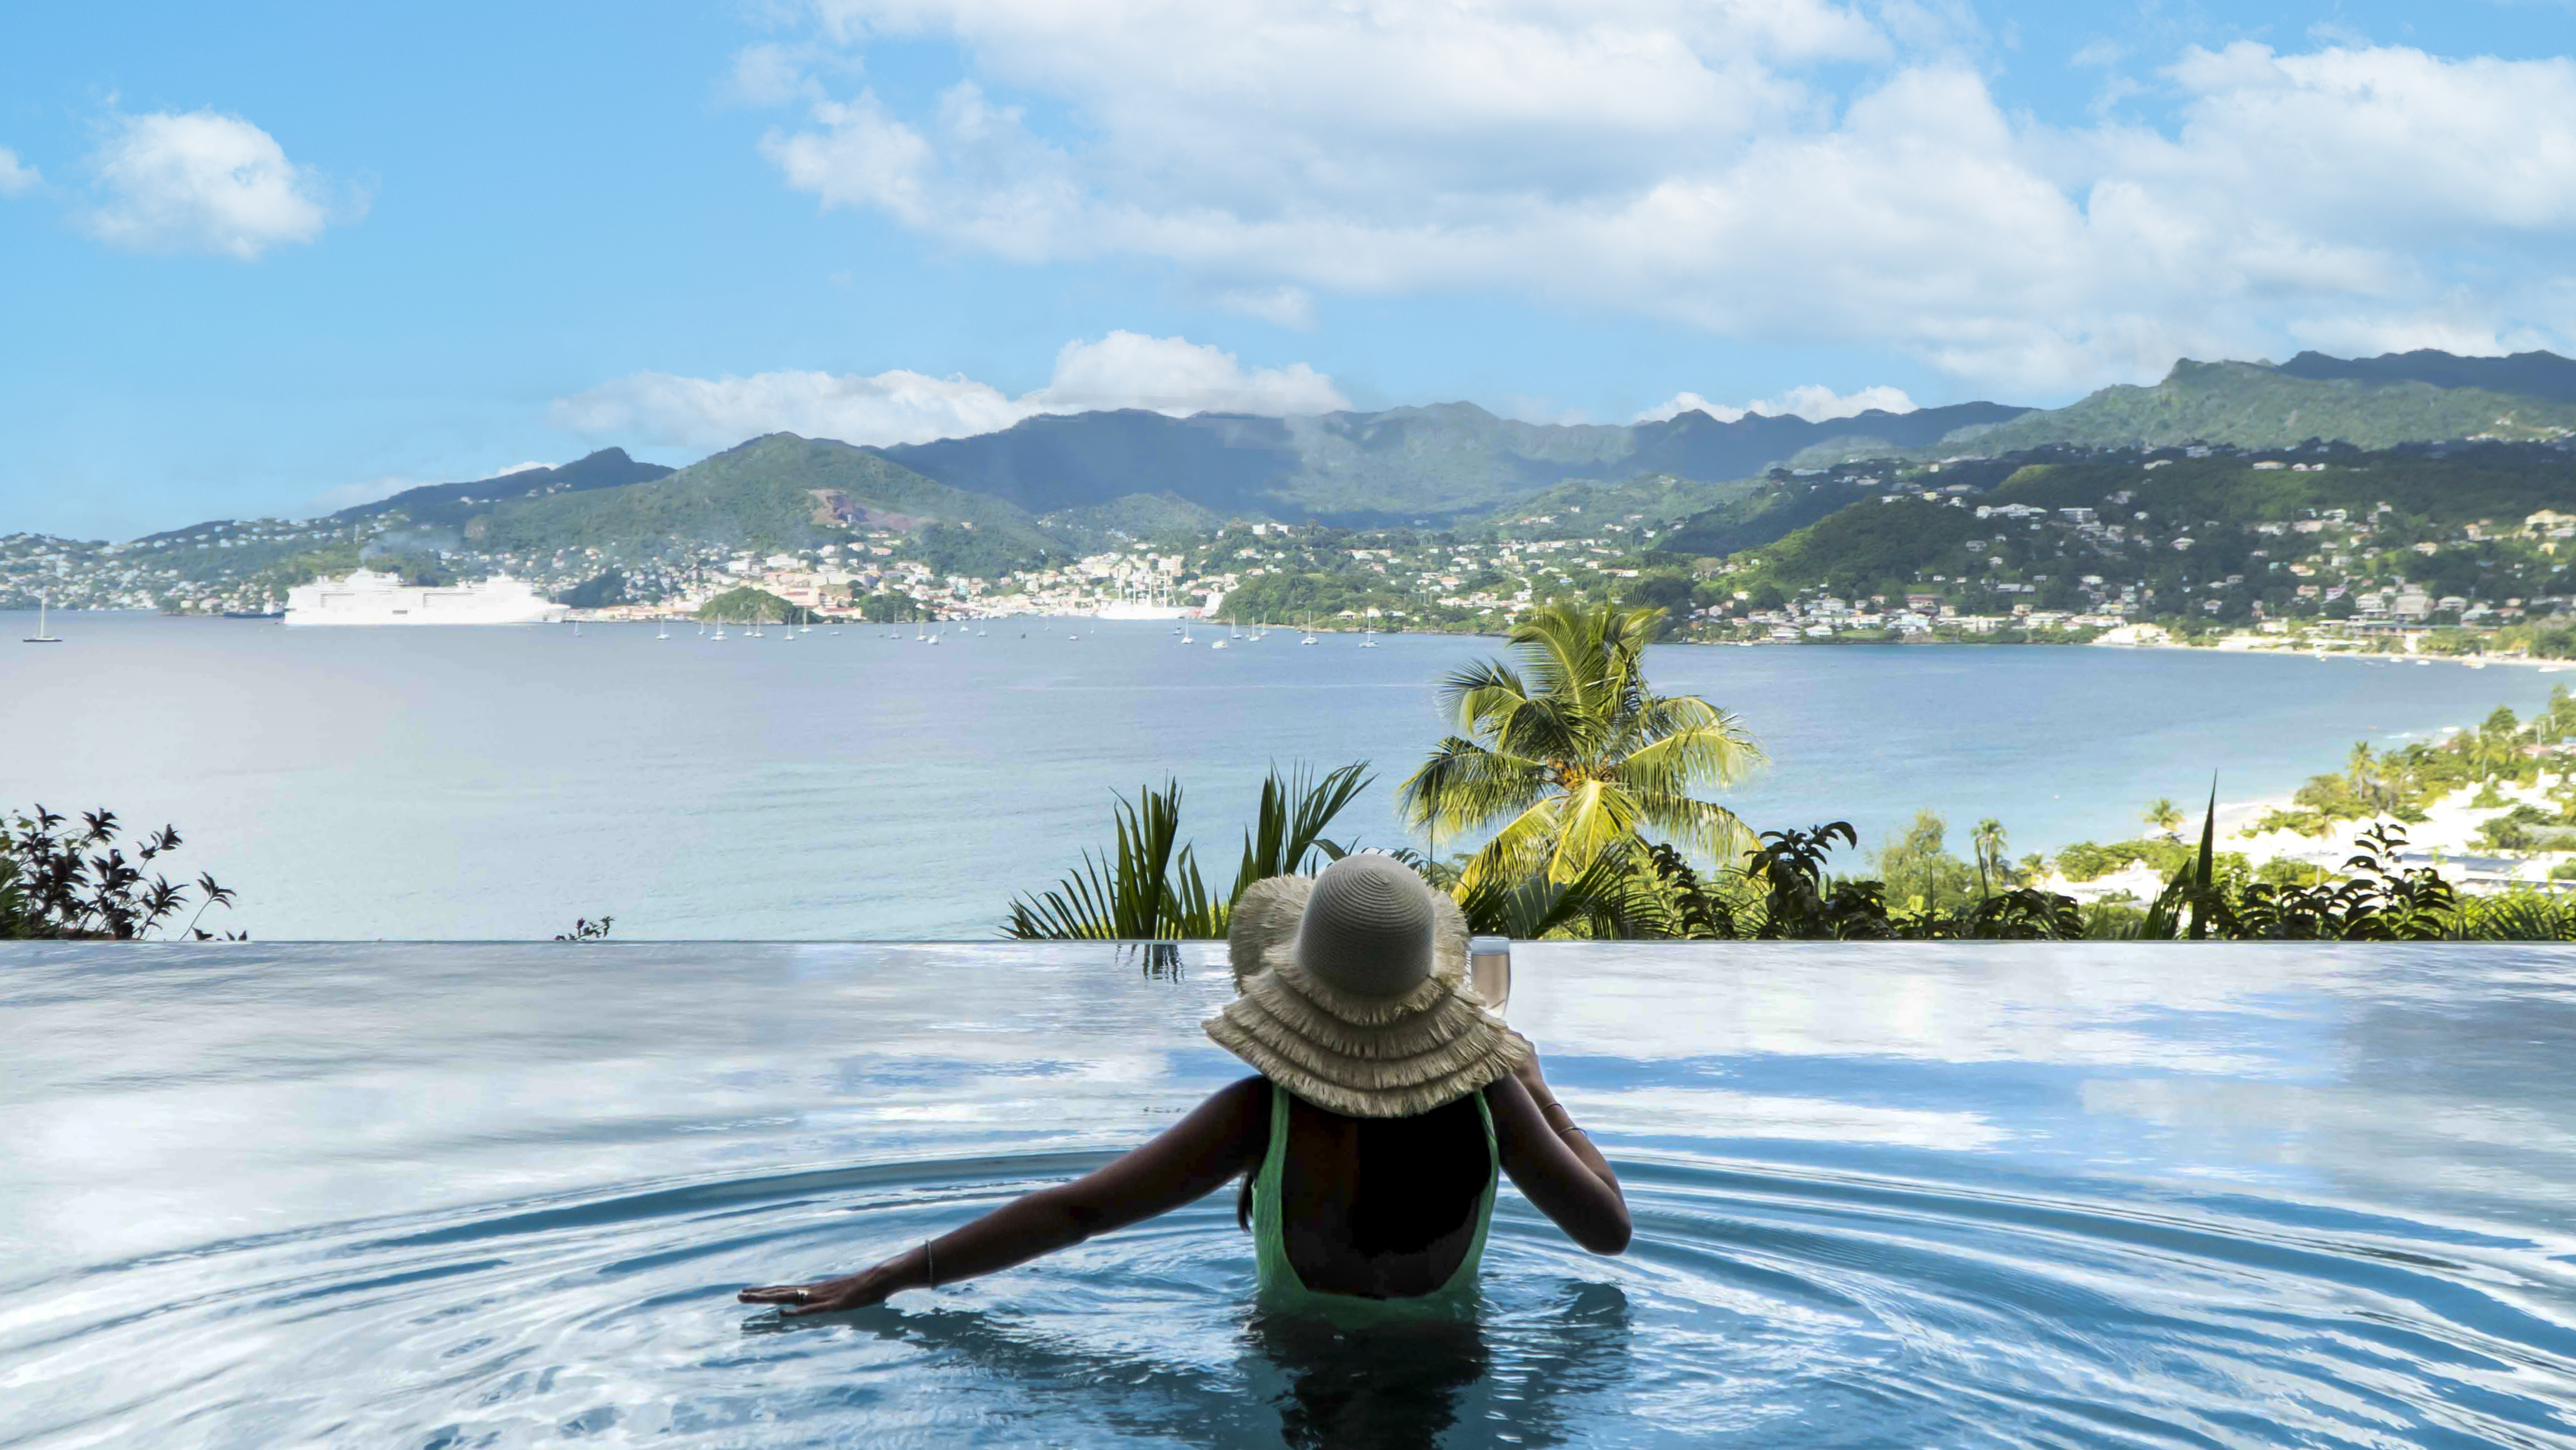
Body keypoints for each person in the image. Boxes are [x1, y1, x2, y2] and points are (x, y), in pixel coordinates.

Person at [739, 854, 1629, 1316]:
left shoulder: (1260, 1115)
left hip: (1293, 1382)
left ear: (1300, 992)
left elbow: (1076, 1212)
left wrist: (889, 1274)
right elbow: (1609, 1229)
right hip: (1454, 1383)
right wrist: (1537, 1086)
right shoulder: (1493, 1106)